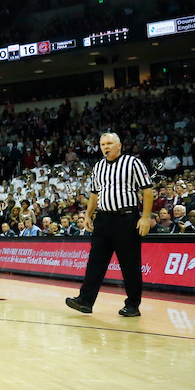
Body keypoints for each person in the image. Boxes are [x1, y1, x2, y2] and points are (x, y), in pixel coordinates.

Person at [66, 132, 153, 318]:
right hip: (103, 220)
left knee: (130, 264)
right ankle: (85, 300)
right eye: (103, 144)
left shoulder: (133, 163)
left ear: (119, 145)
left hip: (126, 218)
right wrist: (88, 215)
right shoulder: (98, 167)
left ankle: (132, 305)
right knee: (95, 262)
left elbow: (147, 190)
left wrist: (145, 217)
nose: (106, 147)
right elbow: (95, 194)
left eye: (109, 143)